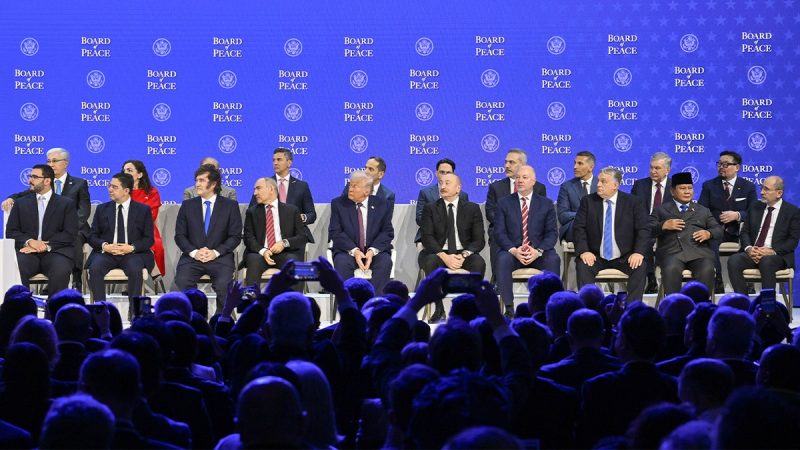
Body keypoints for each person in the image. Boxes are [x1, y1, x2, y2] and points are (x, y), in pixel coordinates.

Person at [3, 148, 90, 291]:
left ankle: (73, 285)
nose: (30, 180)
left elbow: (76, 222)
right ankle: (22, 303)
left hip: (58, 245)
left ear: (47, 181)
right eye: (49, 161)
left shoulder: (73, 192)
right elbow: (11, 231)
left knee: (62, 265)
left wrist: (46, 245)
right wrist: (31, 242)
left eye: (54, 161)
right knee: (16, 266)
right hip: (28, 250)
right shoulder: (24, 201)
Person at [574, 166, 649, 301]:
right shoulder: (588, 201)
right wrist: (584, 251)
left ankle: (632, 308)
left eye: (603, 181)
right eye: (598, 181)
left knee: (640, 265)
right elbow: (579, 228)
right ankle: (589, 308)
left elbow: (643, 229)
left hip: (625, 256)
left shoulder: (633, 202)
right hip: (596, 256)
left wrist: (638, 252)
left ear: (615, 185)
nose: (598, 184)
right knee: (582, 265)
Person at [174, 164, 243, 313]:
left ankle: (221, 319)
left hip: (220, 257)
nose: (197, 184)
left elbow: (235, 236)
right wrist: (194, 252)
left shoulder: (230, 206)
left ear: (213, 184)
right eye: (196, 180)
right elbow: (179, 235)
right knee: (182, 281)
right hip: (192, 258)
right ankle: (196, 317)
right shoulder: (187, 205)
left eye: (201, 180)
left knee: (224, 285)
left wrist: (215, 252)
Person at [494, 165, 561, 315]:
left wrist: (538, 251)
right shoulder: (504, 203)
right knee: (502, 259)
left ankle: (549, 307)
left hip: (538, 252)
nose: (520, 180)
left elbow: (552, 233)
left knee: (553, 259)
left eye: (524, 177)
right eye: (517, 177)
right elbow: (499, 232)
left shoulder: (546, 204)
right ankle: (509, 308)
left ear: (533, 181)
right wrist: (514, 250)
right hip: (513, 252)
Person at [419, 173, 485, 321]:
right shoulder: (430, 208)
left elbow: (479, 240)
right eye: (441, 183)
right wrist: (445, 257)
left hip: (463, 253)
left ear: (458, 188)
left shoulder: (472, 208)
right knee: (430, 262)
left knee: (479, 263)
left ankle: (470, 308)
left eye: (447, 183)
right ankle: (439, 309)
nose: (442, 186)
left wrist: (463, 256)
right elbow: (427, 238)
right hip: (438, 253)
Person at [649, 172, 723, 295]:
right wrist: (663, 225)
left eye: (690, 188)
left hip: (699, 252)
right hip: (672, 253)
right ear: (672, 191)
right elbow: (647, 229)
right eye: (682, 188)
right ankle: (675, 304)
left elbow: (718, 230)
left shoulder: (702, 210)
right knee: (671, 269)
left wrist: (709, 233)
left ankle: (701, 305)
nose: (687, 192)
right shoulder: (661, 210)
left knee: (707, 269)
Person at [87, 172, 155, 302]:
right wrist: (105, 246)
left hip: (132, 254)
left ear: (126, 191)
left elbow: (148, 239)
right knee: (95, 269)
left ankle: (134, 310)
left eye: (114, 187)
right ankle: (101, 308)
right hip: (106, 253)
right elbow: (92, 236)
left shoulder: (143, 210)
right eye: (109, 186)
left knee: (135, 270)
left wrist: (132, 248)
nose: (110, 189)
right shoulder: (102, 209)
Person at [728, 176, 800, 295]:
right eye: (761, 188)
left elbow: (793, 240)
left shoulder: (792, 211)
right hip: (754, 253)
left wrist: (772, 251)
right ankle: (743, 301)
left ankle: (767, 304)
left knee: (766, 261)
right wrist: (749, 249)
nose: (762, 192)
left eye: (766, 189)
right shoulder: (755, 207)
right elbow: (745, 232)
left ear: (779, 193)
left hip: (777, 256)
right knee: (734, 260)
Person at [698, 150, 758, 293]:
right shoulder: (709, 185)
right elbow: (701, 210)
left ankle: (748, 281)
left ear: (737, 167)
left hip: (739, 230)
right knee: (710, 241)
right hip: (717, 229)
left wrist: (737, 215)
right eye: (719, 164)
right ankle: (717, 278)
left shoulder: (748, 187)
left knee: (749, 240)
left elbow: (754, 213)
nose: (721, 167)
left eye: (725, 164)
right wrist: (715, 219)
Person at [330, 171, 394, 294]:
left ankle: (375, 302)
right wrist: (355, 251)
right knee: (341, 263)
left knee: (385, 262)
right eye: (350, 185)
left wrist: (372, 251)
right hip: (347, 251)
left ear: (366, 191)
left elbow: (387, 232)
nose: (350, 189)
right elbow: (335, 232)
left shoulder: (383, 205)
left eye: (355, 186)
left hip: (374, 252)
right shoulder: (338, 204)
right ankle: (348, 303)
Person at [242, 177, 307, 288]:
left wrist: (284, 243)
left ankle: (293, 298)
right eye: (254, 189)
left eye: (258, 188)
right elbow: (248, 237)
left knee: (295, 264)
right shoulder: (252, 212)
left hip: (286, 253)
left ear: (271, 189)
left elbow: (302, 237)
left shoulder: (292, 210)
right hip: (260, 254)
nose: (255, 193)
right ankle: (251, 299)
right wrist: (263, 251)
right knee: (253, 260)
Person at [249, 148, 317, 243]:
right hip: (268, 233)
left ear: (289, 163)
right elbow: (251, 211)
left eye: (279, 160)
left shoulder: (302, 186)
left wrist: (302, 218)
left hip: (294, 235)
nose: (275, 163)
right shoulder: (263, 184)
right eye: (273, 160)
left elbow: (312, 215)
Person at [631, 152, 673, 293]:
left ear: (667, 170)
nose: (653, 171)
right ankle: (651, 279)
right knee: (645, 237)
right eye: (651, 167)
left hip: (667, 228)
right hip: (645, 226)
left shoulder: (675, 187)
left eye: (657, 168)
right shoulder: (639, 185)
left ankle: (665, 277)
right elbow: (632, 209)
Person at [123, 160, 166, 275]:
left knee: (155, 245)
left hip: (146, 229)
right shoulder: (121, 192)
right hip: (123, 228)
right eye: (124, 171)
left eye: (129, 170)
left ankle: (153, 274)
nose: (125, 173)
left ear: (140, 174)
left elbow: (151, 216)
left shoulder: (152, 192)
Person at [414, 158, 468, 242]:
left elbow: (466, 219)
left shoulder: (462, 195)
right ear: (436, 173)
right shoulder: (425, 193)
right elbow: (420, 219)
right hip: (430, 235)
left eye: (448, 173)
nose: (445, 175)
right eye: (442, 172)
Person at [557, 151, 597, 243]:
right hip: (575, 228)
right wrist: (584, 214)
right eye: (575, 163)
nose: (575, 167)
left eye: (580, 163)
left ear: (591, 167)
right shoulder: (567, 186)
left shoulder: (601, 184)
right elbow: (562, 215)